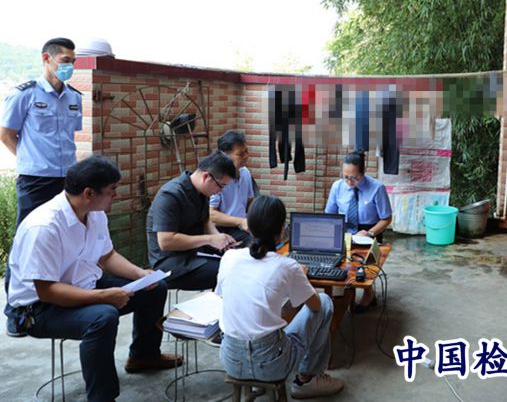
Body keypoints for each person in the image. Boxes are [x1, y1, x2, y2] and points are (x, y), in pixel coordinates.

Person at [5, 156, 181, 402]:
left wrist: (140, 274)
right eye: (112, 190)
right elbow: (47, 291)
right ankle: (102, 397)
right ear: (88, 193)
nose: (116, 195)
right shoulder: (44, 227)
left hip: (83, 285)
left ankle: (144, 355)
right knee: (102, 317)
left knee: (155, 287)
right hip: (38, 309)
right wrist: (103, 296)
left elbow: (107, 256)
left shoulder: (95, 213)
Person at [216, 195, 344, 399]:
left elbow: (225, 296)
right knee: (325, 302)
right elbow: (315, 307)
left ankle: (266, 380)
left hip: (231, 361)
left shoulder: (229, 257)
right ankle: (307, 380)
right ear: (282, 229)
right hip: (272, 365)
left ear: (249, 227)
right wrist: (301, 278)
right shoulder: (287, 266)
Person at [1, 38, 83, 336]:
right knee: (26, 241)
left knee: (61, 237)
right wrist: (30, 161)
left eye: (73, 61)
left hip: (67, 180)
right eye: (65, 61)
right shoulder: (24, 94)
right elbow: (6, 134)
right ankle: (16, 310)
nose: (69, 66)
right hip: (35, 180)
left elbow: (70, 136)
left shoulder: (74, 97)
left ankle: (54, 297)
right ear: (46, 59)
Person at [146, 150, 239, 290]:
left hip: (194, 252)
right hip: (169, 261)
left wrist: (220, 239)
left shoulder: (202, 191)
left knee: (237, 258)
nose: (220, 191)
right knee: (227, 270)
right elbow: (166, 241)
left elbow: (205, 220)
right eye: (221, 186)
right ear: (206, 176)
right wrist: (210, 239)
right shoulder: (170, 194)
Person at [324, 150, 392, 313]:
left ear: (363, 172)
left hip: (369, 231)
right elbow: (330, 215)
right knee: (342, 265)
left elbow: (386, 218)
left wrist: (370, 233)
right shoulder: (337, 186)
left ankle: (368, 294)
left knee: (365, 268)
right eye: (345, 177)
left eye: (354, 178)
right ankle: (340, 296)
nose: (349, 182)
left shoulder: (376, 188)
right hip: (344, 228)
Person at [209, 130, 255, 245]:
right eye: (240, 154)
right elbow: (211, 214)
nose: (246, 156)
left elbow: (250, 202)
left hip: (242, 225)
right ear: (225, 155)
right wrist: (240, 222)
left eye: (246, 151)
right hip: (223, 229)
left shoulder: (245, 172)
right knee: (254, 243)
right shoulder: (217, 177)